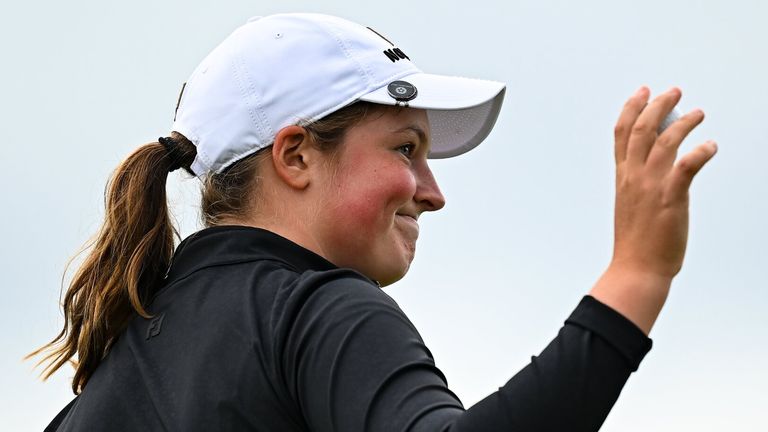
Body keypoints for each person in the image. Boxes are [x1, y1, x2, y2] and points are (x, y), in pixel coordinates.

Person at [30, 12, 717, 432]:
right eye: (405, 149)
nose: (432, 192)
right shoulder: (316, 310)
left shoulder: (116, 368)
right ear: (295, 156)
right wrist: (639, 275)